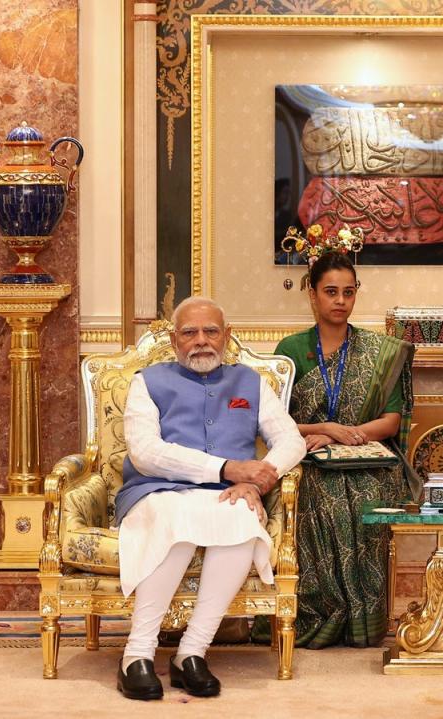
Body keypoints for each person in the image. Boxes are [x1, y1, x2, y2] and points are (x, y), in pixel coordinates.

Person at [114, 296, 306, 700]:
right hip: (157, 491)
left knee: (241, 519)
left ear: (227, 336)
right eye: (189, 333)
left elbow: (291, 440)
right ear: (173, 340)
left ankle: (192, 653)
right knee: (176, 519)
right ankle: (138, 654)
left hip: (225, 495)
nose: (201, 341)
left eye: (210, 331)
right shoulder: (146, 382)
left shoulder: (251, 383)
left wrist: (256, 482)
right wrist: (226, 469)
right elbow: (145, 453)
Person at [273, 250, 417, 649]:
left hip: (369, 459)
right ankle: (321, 612)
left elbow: (389, 423)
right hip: (308, 459)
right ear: (313, 295)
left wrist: (341, 435)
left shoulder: (379, 352)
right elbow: (275, 422)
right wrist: (321, 429)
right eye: (331, 292)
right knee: (321, 496)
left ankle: (362, 621)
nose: (340, 301)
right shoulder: (291, 348)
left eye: (348, 293)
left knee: (367, 498)